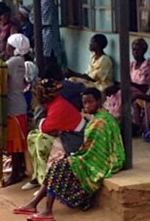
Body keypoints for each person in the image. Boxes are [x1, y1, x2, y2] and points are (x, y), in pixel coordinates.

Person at [13, 88, 125, 221]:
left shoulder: (102, 121)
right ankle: (34, 204)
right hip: (89, 157)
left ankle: (46, 210)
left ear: (99, 101)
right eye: (85, 103)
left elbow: (98, 150)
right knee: (58, 165)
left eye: (91, 102)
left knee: (60, 167)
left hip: (98, 162)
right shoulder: (97, 118)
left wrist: (78, 157)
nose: (87, 105)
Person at [23, 78, 85, 190]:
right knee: (32, 137)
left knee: (42, 141)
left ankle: (45, 183)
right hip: (66, 134)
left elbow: (43, 127)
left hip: (74, 140)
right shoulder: (53, 103)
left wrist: (39, 109)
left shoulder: (58, 105)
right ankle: (37, 176)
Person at [1, 33, 31, 187]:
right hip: (19, 103)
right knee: (16, 141)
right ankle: (18, 170)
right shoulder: (21, 61)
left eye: (8, 45)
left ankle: (16, 173)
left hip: (13, 106)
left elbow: (0, 77)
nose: (6, 48)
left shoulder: (12, 62)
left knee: (14, 142)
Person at [30, 0, 62, 67]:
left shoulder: (40, 1)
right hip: (48, 34)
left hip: (44, 33)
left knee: (46, 59)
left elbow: (31, 17)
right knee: (49, 61)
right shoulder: (48, 2)